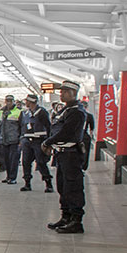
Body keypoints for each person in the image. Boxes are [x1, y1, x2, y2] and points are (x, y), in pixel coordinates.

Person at [42, 80, 88, 234]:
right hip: (63, 154)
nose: (60, 94)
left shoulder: (77, 112)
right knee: (63, 186)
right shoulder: (66, 111)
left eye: (63, 92)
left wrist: (48, 142)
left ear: (72, 93)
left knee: (73, 187)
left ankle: (76, 221)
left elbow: (66, 132)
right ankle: (66, 217)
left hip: (71, 155)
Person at [19, 94, 53, 192]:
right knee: (26, 162)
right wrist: (21, 139)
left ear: (31, 102)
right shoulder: (24, 113)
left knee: (41, 162)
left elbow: (48, 126)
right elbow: (21, 126)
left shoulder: (42, 112)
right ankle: (27, 183)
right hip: (27, 141)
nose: (26, 103)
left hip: (39, 141)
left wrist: (48, 142)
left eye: (27, 101)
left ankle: (48, 183)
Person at [0, 94, 23, 184]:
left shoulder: (19, 112)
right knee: (6, 160)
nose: (9, 103)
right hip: (4, 140)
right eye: (7, 101)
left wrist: (21, 140)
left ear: (13, 101)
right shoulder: (1, 112)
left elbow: (22, 127)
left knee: (14, 160)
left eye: (10, 101)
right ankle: (8, 176)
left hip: (15, 140)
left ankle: (13, 178)